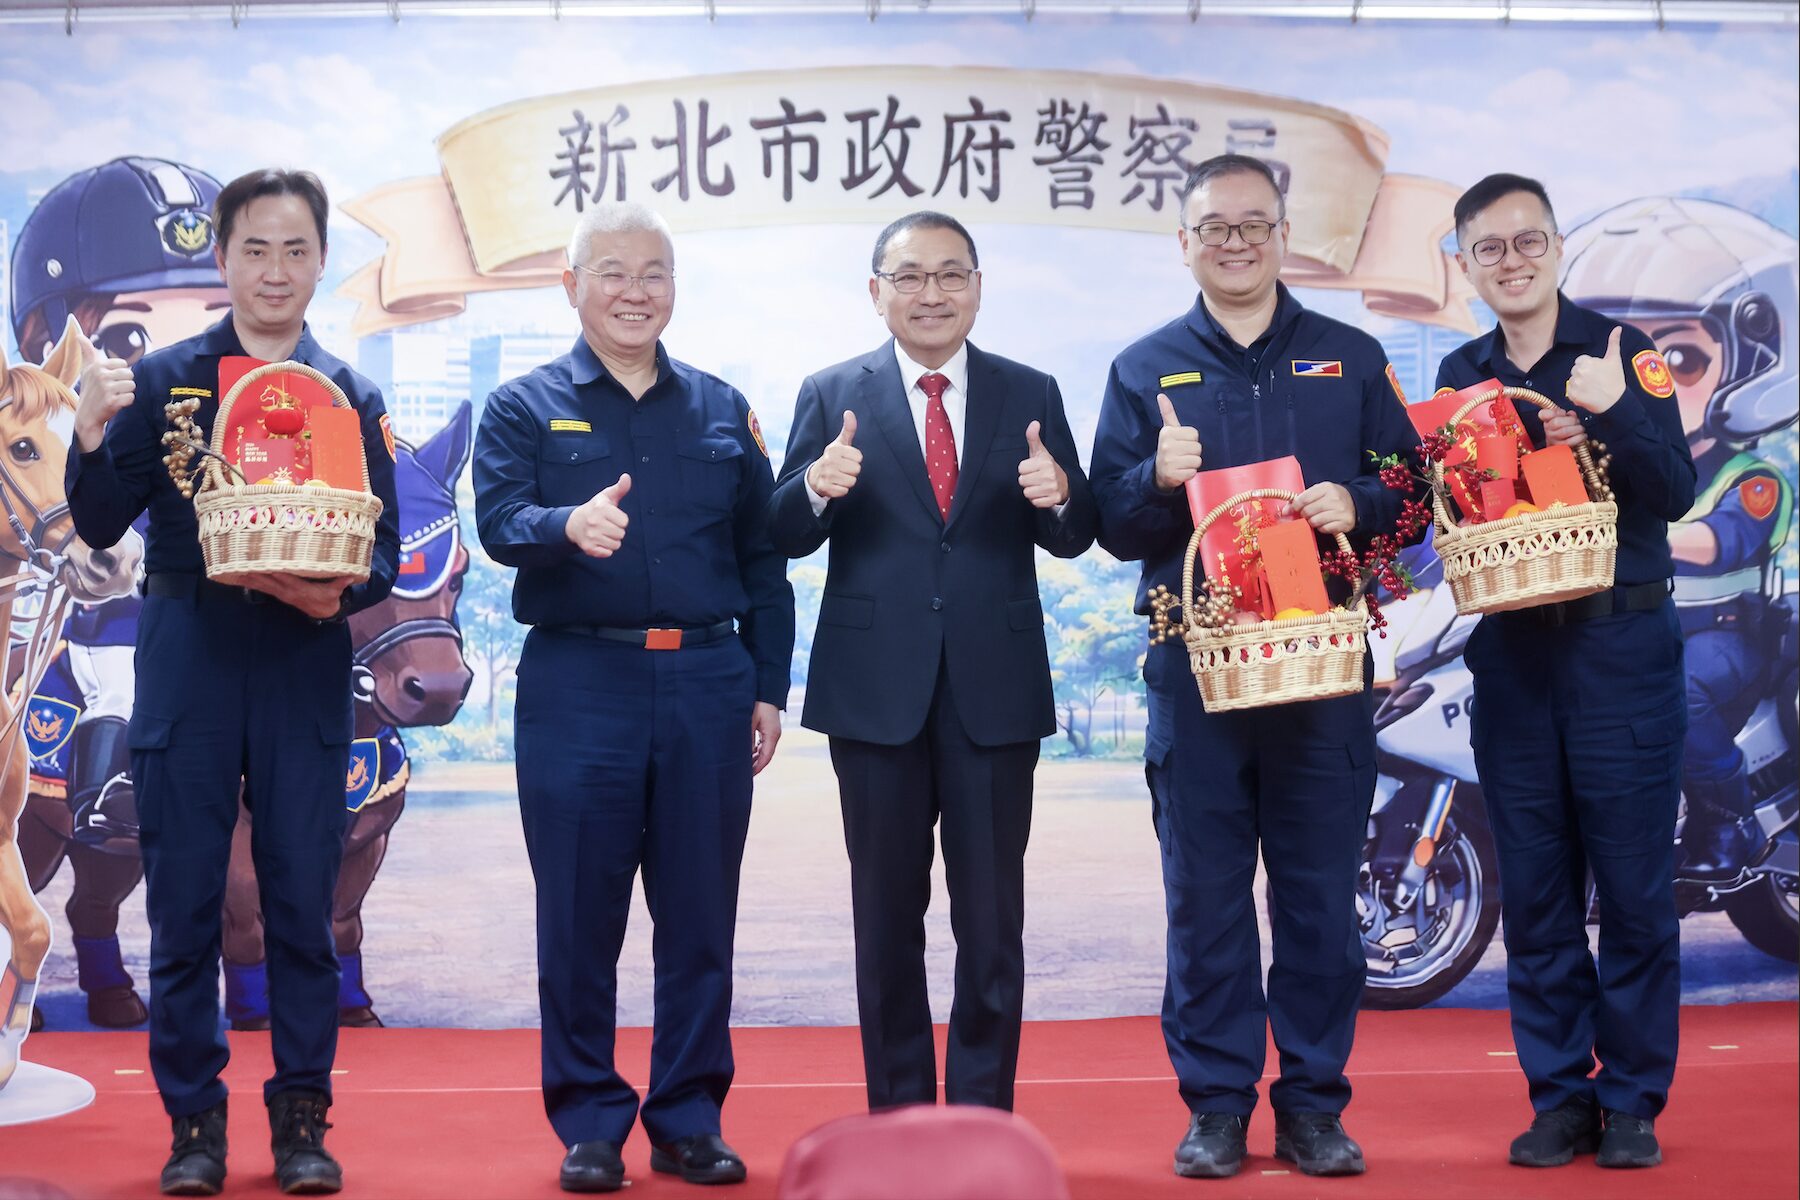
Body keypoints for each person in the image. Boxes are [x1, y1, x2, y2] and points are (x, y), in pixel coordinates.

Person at [66, 167, 400, 1195]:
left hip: (304, 666)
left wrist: (331, 596)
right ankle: (194, 1130)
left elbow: (382, 556)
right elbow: (98, 520)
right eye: (255, 249)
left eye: (296, 249)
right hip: (190, 661)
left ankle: (302, 1123)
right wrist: (89, 434)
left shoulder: (347, 393)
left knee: (301, 909)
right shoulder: (164, 379)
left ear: (320, 262)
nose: (275, 270)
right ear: (223, 259)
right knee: (184, 907)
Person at [1088, 154, 1417, 1179]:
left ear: (1283, 236)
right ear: (1184, 243)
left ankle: (1314, 1106)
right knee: (1206, 899)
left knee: (1319, 899)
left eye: (1254, 225)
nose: (1235, 243)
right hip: (1198, 676)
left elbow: (1412, 492)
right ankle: (1217, 1107)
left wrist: (1357, 503)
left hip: (1321, 671)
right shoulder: (1144, 368)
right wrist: (1154, 479)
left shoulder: (1350, 358)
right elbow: (1109, 523)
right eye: (1214, 228)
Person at [473, 201, 793, 1194]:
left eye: (653, 272)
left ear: (673, 287)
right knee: (579, 916)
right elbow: (498, 520)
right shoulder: (522, 406)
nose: (634, 291)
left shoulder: (721, 408)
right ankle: (590, 1124)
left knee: (699, 917)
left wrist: (768, 686)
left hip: (708, 681)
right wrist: (564, 526)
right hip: (581, 682)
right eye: (611, 272)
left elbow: (764, 556)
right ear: (572, 286)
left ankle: (689, 1117)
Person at [767, 211, 1096, 1115]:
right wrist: (814, 489)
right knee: (885, 921)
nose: (931, 294)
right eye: (909, 276)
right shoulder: (832, 390)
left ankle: (984, 1114)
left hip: (995, 688)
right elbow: (780, 531)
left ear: (978, 288)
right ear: (876, 292)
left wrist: (1059, 496)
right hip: (874, 692)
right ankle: (901, 1114)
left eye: (951, 275)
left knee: (991, 923)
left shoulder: (1029, 390)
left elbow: (1076, 533)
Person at [1436, 173, 1696, 1170]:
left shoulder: (1625, 352)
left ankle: (1631, 1101)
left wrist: (1617, 412)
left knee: (1633, 894)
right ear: (1466, 265)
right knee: (1538, 897)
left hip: (1621, 652)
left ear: (1556, 247)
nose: (1511, 261)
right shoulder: (1460, 375)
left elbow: (1673, 490)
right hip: (1512, 658)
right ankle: (1559, 1097)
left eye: (1527, 241)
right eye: (1489, 248)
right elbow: (1442, 509)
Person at [10, 154, 230, 1030]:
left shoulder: (227, 424)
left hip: (208, 625)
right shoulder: (52, 439)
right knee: (117, 678)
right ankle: (108, 798)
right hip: (98, 623)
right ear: (51, 341)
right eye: (135, 336)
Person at [1561, 197, 1797, 878]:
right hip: (1635, 625)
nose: (1645, 382)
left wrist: (1628, 535)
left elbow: (1722, 541)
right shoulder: (1605, 465)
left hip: (1722, 635)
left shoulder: (1753, 478)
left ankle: (1729, 820)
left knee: (1675, 692)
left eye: (1679, 358)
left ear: (1751, 361)